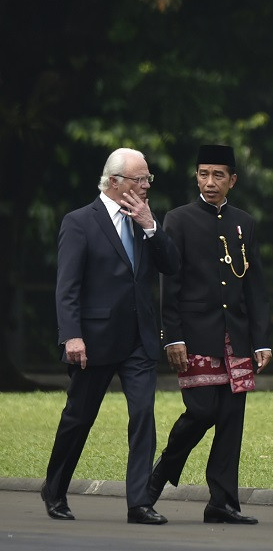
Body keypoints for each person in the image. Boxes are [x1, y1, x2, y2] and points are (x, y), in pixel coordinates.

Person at [42, 147, 181, 525]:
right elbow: (66, 287)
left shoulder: (144, 219)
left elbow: (172, 266)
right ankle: (54, 489)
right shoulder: (79, 222)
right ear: (115, 181)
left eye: (148, 178)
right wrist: (71, 336)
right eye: (141, 179)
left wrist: (152, 226)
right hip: (94, 340)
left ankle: (138, 502)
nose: (147, 184)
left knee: (142, 416)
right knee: (78, 418)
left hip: (139, 339)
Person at [149, 144, 272, 525]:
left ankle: (223, 502)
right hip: (195, 335)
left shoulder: (244, 223)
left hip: (236, 337)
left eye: (218, 175)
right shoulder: (179, 219)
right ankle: (158, 477)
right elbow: (171, 282)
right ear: (196, 177)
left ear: (232, 180)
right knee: (201, 412)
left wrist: (261, 339)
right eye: (203, 173)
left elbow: (254, 285)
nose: (210, 182)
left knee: (232, 419)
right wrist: (172, 336)